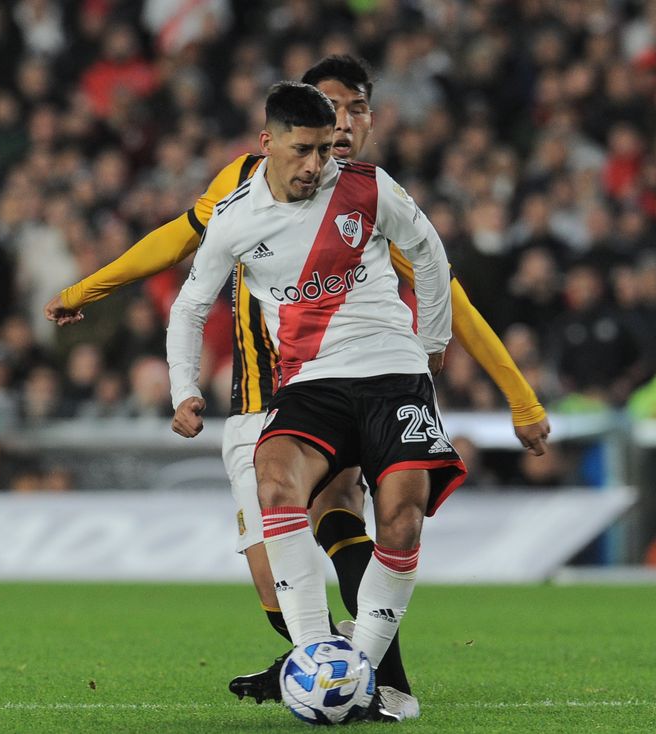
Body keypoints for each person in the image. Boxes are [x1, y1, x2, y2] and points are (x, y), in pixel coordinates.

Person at [43, 55, 550, 717]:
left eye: (358, 110)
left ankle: (376, 683)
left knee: (350, 516)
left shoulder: (364, 196)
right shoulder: (244, 190)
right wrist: (91, 287)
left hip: (350, 379)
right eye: (331, 109)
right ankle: (316, 660)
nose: (344, 125)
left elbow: (443, 284)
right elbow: (179, 246)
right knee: (273, 587)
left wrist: (518, 395)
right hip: (262, 395)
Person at [167, 81, 463, 722]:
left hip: (393, 374)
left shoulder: (368, 187)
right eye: (303, 150)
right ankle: (319, 663)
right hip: (313, 384)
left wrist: (432, 341)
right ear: (266, 143)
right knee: (276, 482)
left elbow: (429, 252)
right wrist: (184, 389)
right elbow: (190, 306)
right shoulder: (237, 218)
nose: (316, 165)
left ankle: (367, 670)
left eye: (326, 150)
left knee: (403, 520)